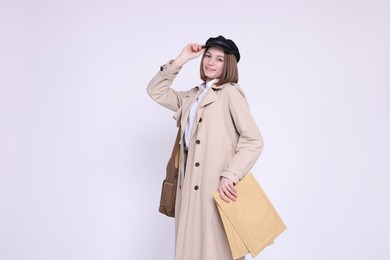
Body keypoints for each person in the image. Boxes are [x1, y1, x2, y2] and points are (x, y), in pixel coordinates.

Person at [147, 35, 264, 260]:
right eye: (208, 56)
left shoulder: (230, 93)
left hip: (214, 185)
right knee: (189, 251)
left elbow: (253, 140)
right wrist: (181, 59)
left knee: (216, 250)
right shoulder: (192, 96)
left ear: (228, 64)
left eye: (219, 59)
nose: (210, 62)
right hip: (186, 183)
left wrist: (229, 175)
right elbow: (155, 91)